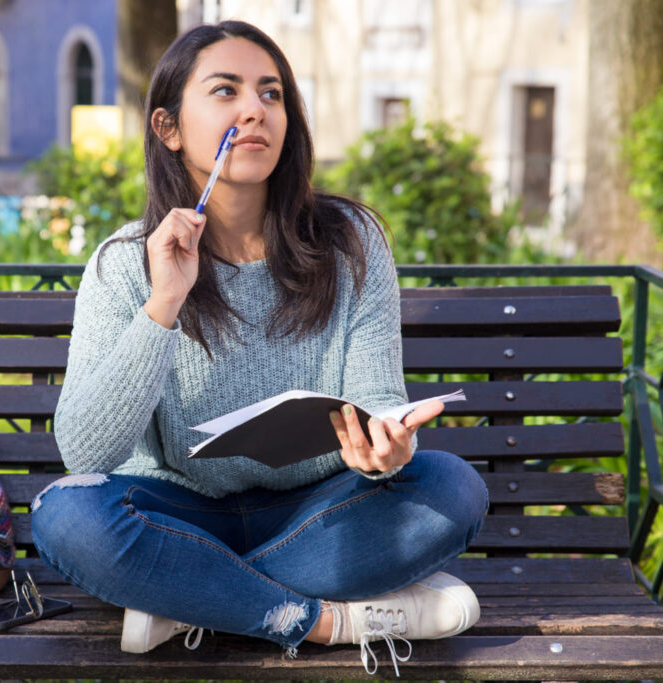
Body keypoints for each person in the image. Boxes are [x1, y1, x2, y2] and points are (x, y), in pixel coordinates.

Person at [30, 20, 488, 675]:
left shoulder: (352, 242)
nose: (255, 110)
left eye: (271, 94)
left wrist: (387, 447)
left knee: (452, 486)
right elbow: (85, 453)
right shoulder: (126, 264)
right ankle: (324, 620)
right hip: (178, 513)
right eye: (226, 91)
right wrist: (164, 304)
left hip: (317, 511)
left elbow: (378, 399)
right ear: (169, 128)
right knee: (63, 513)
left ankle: (189, 597)